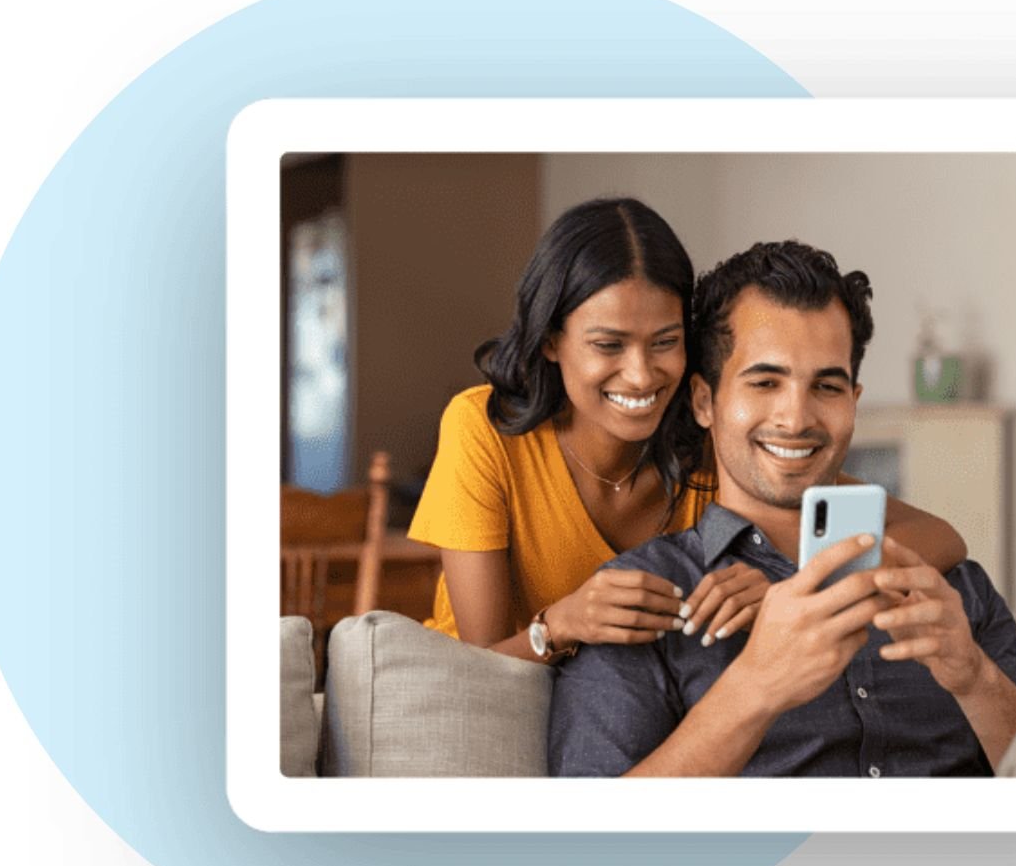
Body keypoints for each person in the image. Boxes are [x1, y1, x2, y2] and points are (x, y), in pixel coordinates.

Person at [549, 240, 1016, 776]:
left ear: (853, 400)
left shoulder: (950, 589)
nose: (796, 416)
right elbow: (594, 846)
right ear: (704, 401)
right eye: (765, 382)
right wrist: (754, 688)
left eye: (826, 386)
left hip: (964, 860)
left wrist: (973, 676)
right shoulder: (645, 600)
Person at [406, 200, 970, 665]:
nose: (641, 373)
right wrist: (563, 621)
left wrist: (793, 589)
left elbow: (939, 537)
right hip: (499, 691)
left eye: (665, 342)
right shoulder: (485, 429)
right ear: (551, 340)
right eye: (609, 345)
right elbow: (479, 663)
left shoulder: (708, 439)